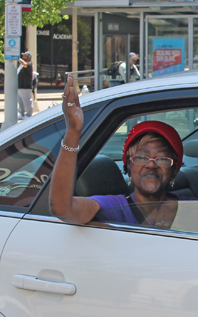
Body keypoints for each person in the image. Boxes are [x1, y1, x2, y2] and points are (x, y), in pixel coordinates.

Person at [49, 74, 183, 228]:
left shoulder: (194, 207)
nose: (151, 165)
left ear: (174, 170)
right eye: (141, 158)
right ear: (128, 168)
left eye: (162, 159)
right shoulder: (114, 207)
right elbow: (63, 208)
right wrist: (73, 132)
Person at [18, 51, 34, 120]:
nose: (23, 57)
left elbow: (25, 64)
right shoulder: (21, 66)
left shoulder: (29, 64)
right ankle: (21, 114)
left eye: (24, 56)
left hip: (26, 87)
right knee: (20, 101)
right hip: (20, 86)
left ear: (28, 57)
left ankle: (29, 114)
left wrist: (17, 58)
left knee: (27, 101)